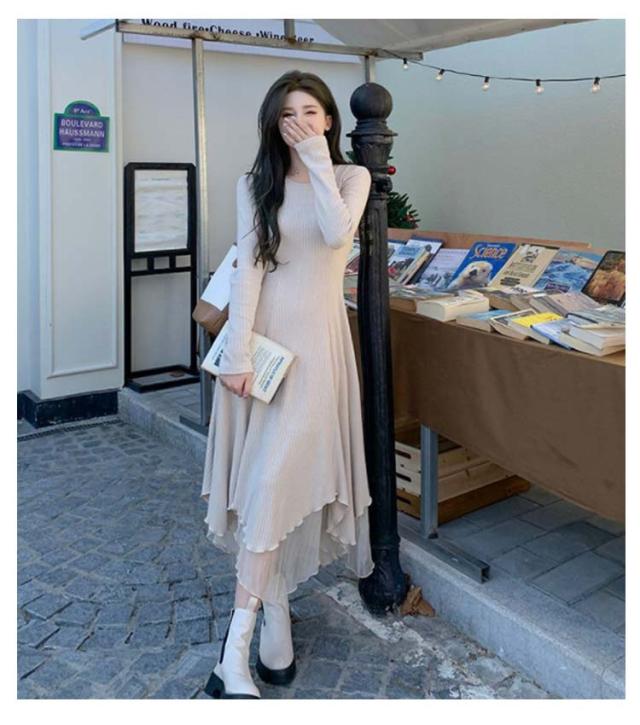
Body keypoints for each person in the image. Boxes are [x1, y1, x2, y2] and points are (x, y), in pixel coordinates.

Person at [201, 70, 374, 699]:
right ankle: (269, 629)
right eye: (286, 115)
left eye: (309, 112)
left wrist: (318, 161)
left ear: (328, 119)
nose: (298, 122)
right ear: (272, 125)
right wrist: (237, 355)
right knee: (258, 487)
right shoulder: (255, 183)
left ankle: (233, 654)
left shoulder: (351, 178)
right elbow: (248, 271)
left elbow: (335, 235)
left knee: (274, 485)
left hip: (318, 352)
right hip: (261, 351)